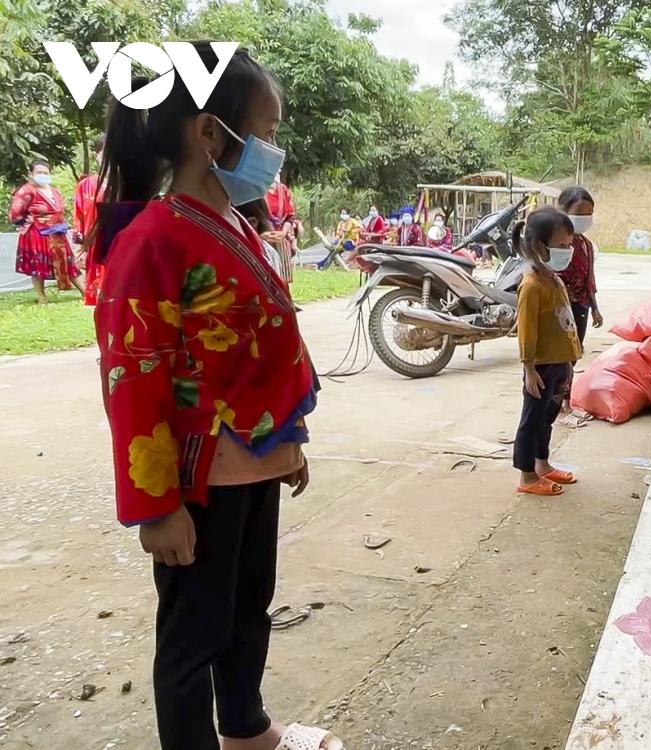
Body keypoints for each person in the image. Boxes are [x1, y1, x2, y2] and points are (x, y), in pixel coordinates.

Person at [91, 42, 341, 750]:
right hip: (199, 478)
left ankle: (246, 727)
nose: (274, 150)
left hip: (255, 464)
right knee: (191, 637)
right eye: (267, 132)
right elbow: (132, 380)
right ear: (210, 134)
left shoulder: (234, 223)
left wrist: (288, 442)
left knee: (246, 611)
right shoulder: (153, 239)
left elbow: (263, 347)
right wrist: (155, 506)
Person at [513, 207, 583, 497]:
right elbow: (526, 330)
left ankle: (543, 464)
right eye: (562, 246)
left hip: (559, 363)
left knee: (547, 418)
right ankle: (527, 476)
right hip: (540, 368)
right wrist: (529, 368)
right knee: (532, 420)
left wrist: (569, 359)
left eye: (570, 245)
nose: (568, 251)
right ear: (540, 247)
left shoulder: (554, 279)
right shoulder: (531, 286)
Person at [10, 158, 85, 303]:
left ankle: (84, 291)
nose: (43, 175)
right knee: (38, 264)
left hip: (57, 232)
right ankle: (41, 296)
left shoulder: (54, 191)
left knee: (68, 262)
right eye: (39, 172)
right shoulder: (26, 190)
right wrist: (32, 221)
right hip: (37, 233)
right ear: (31, 173)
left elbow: (61, 210)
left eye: (46, 172)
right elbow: (15, 212)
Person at [556, 186, 604, 341]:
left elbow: (589, 279)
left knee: (575, 350)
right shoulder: (554, 243)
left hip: (580, 306)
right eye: (579, 214)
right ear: (563, 212)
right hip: (557, 307)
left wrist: (594, 308)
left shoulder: (587, 245)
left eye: (589, 214)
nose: (585, 218)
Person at [76, 134, 107, 305]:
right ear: (97, 156)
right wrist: (81, 250)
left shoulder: (130, 183)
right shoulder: (85, 186)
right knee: (100, 302)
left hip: (121, 245)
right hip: (95, 247)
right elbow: (79, 218)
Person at [263, 174, 299, 283]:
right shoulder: (256, 188)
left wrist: (283, 233)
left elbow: (290, 216)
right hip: (262, 237)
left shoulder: (283, 190)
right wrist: (262, 233)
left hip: (280, 238)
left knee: (282, 279)